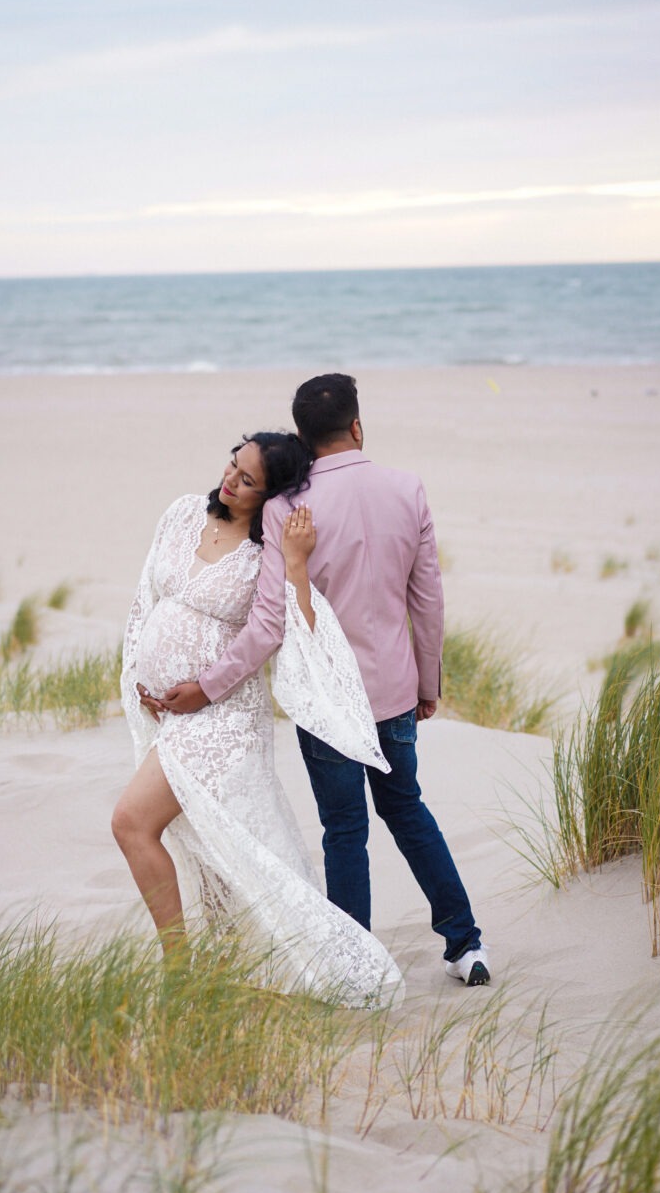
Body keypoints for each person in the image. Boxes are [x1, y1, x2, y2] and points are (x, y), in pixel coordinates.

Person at [164, 377, 489, 986]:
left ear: (306, 442)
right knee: (408, 812)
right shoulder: (407, 488)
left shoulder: (288, 508)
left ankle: (354, 969)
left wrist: (207, 687)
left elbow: (268, 624)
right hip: (393, 693)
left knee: (345, 832)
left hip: (326, 701)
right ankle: (466, 944)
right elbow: (429, 598)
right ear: (358, 427)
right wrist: (427, 682)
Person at [112, 430, 402, 1008]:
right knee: (212, 845)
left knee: (130, 823)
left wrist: (294, 563)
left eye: (248, 481)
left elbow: (277, 632)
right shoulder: (181, 513)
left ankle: (180, 973)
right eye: (232, 465)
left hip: (222, 719)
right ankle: (219, 967)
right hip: (171, 711)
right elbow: (149, 594)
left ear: (271, 495)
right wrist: (141, 675)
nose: (230, 481)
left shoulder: (266, 549)